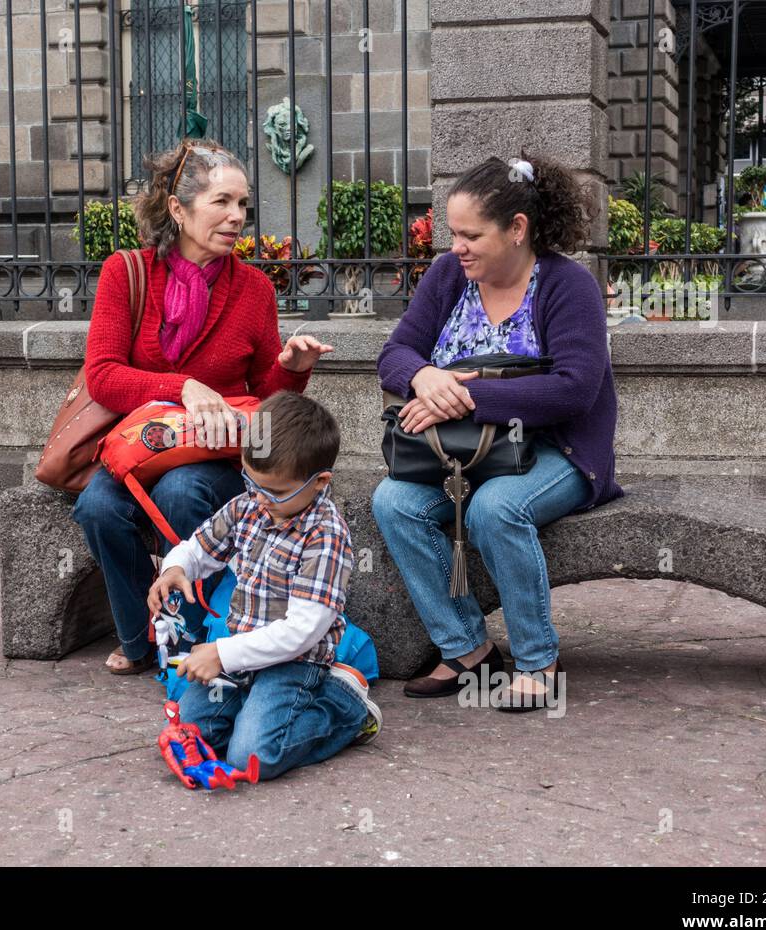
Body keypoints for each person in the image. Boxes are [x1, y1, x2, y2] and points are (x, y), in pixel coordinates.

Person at [372, 150, 621, 711]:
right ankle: (467, 651)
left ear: (516, 229)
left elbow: (573, 389)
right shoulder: (448, 275)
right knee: (393, 502)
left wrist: (463, 398)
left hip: (557, 450)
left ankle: (538, 660)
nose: (455, 246)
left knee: (494, 510)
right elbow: (395, 352)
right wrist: (426, 374)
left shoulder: (567, 285)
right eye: (452, 233)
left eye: (469, 234)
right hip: (466, 453)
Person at [74, 138, 334, 675]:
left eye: (243, 204)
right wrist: (182, 387)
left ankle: (194, 641)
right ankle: (138, 635)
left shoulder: (255, 289)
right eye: (222, 202)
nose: (237, 216)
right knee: (98, 507)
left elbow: (265, 398)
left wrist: (292, 368)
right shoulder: (127, 274)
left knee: (184, 492)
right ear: (178, 208)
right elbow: (102, 376)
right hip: (145, 446)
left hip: (215, 453)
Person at [148, 390, 381, 780]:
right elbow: (199, 547)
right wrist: (176, 567)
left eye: (274, 491)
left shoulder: (325, 536)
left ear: (320, 482)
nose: (258, 497)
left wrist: (222, 654)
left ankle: (343, 708)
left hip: (293, 662)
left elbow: (300, 632)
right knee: (193, 731)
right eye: (250, 482)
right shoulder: (250, 504)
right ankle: (254, 709)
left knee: (252, 756)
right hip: (240, 657)